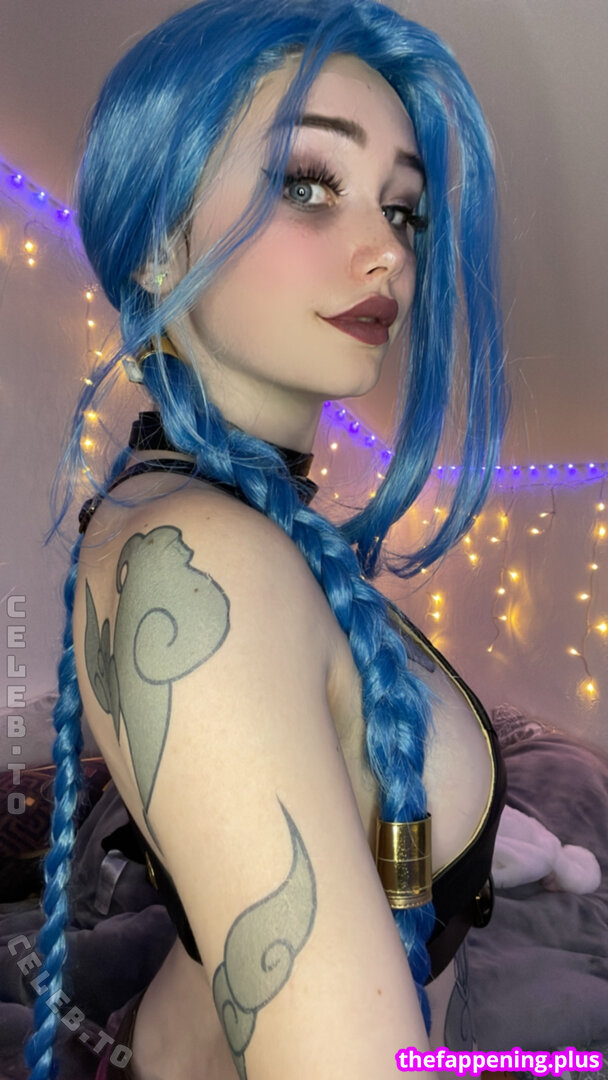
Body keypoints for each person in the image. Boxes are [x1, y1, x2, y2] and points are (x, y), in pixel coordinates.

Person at [25, 1, 510, 1077]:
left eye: (403, 210)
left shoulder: (230, 523)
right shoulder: (201, 558)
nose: (386, 253)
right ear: (160, 247)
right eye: (308, 185)